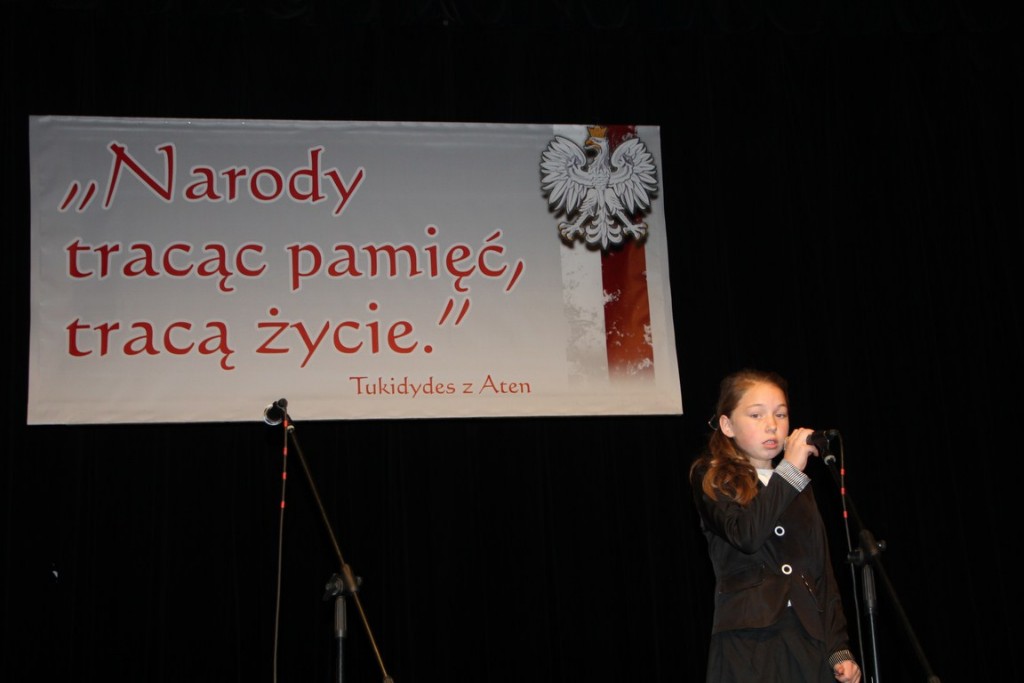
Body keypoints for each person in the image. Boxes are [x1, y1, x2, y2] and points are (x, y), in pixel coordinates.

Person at [689, 369, 862, 683]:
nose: (772, 425)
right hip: (750, 641)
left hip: (808, 638)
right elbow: (747, 534)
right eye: (756, 415)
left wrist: (838, 647)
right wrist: (790, 470)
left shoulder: (798, 487)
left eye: (780, 414)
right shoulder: (712, 477)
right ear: (727, 425)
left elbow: (821, 569)